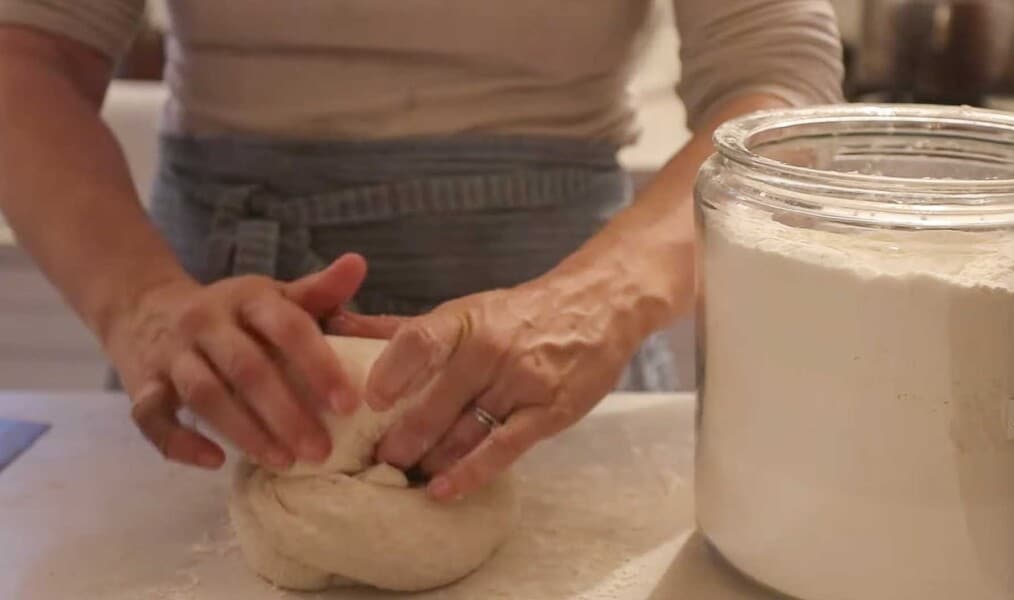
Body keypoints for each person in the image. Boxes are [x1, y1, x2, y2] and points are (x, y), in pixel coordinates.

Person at [0, 1, 842, 500]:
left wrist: (597, 301)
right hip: (219, 350)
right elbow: (24, 52)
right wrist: (143, 306)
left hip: (557, 316)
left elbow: (781, 91)